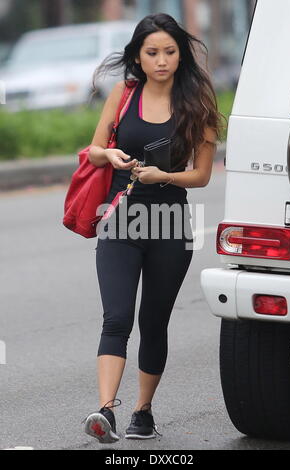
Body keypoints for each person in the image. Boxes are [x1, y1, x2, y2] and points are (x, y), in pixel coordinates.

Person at [83, 13, 223, 444]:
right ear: (138, 58)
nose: (161, 60)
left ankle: (142, 411)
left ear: (180, 56)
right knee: (117, 316)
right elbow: (92, 150)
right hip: (120, 220)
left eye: (169, 52)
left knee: (154, 320)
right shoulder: (123, 95)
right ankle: (105, 410)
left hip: (169, 226)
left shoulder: (198, 103)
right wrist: (109, 157)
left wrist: (162, 176)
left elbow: (201, 176)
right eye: (152, 53)